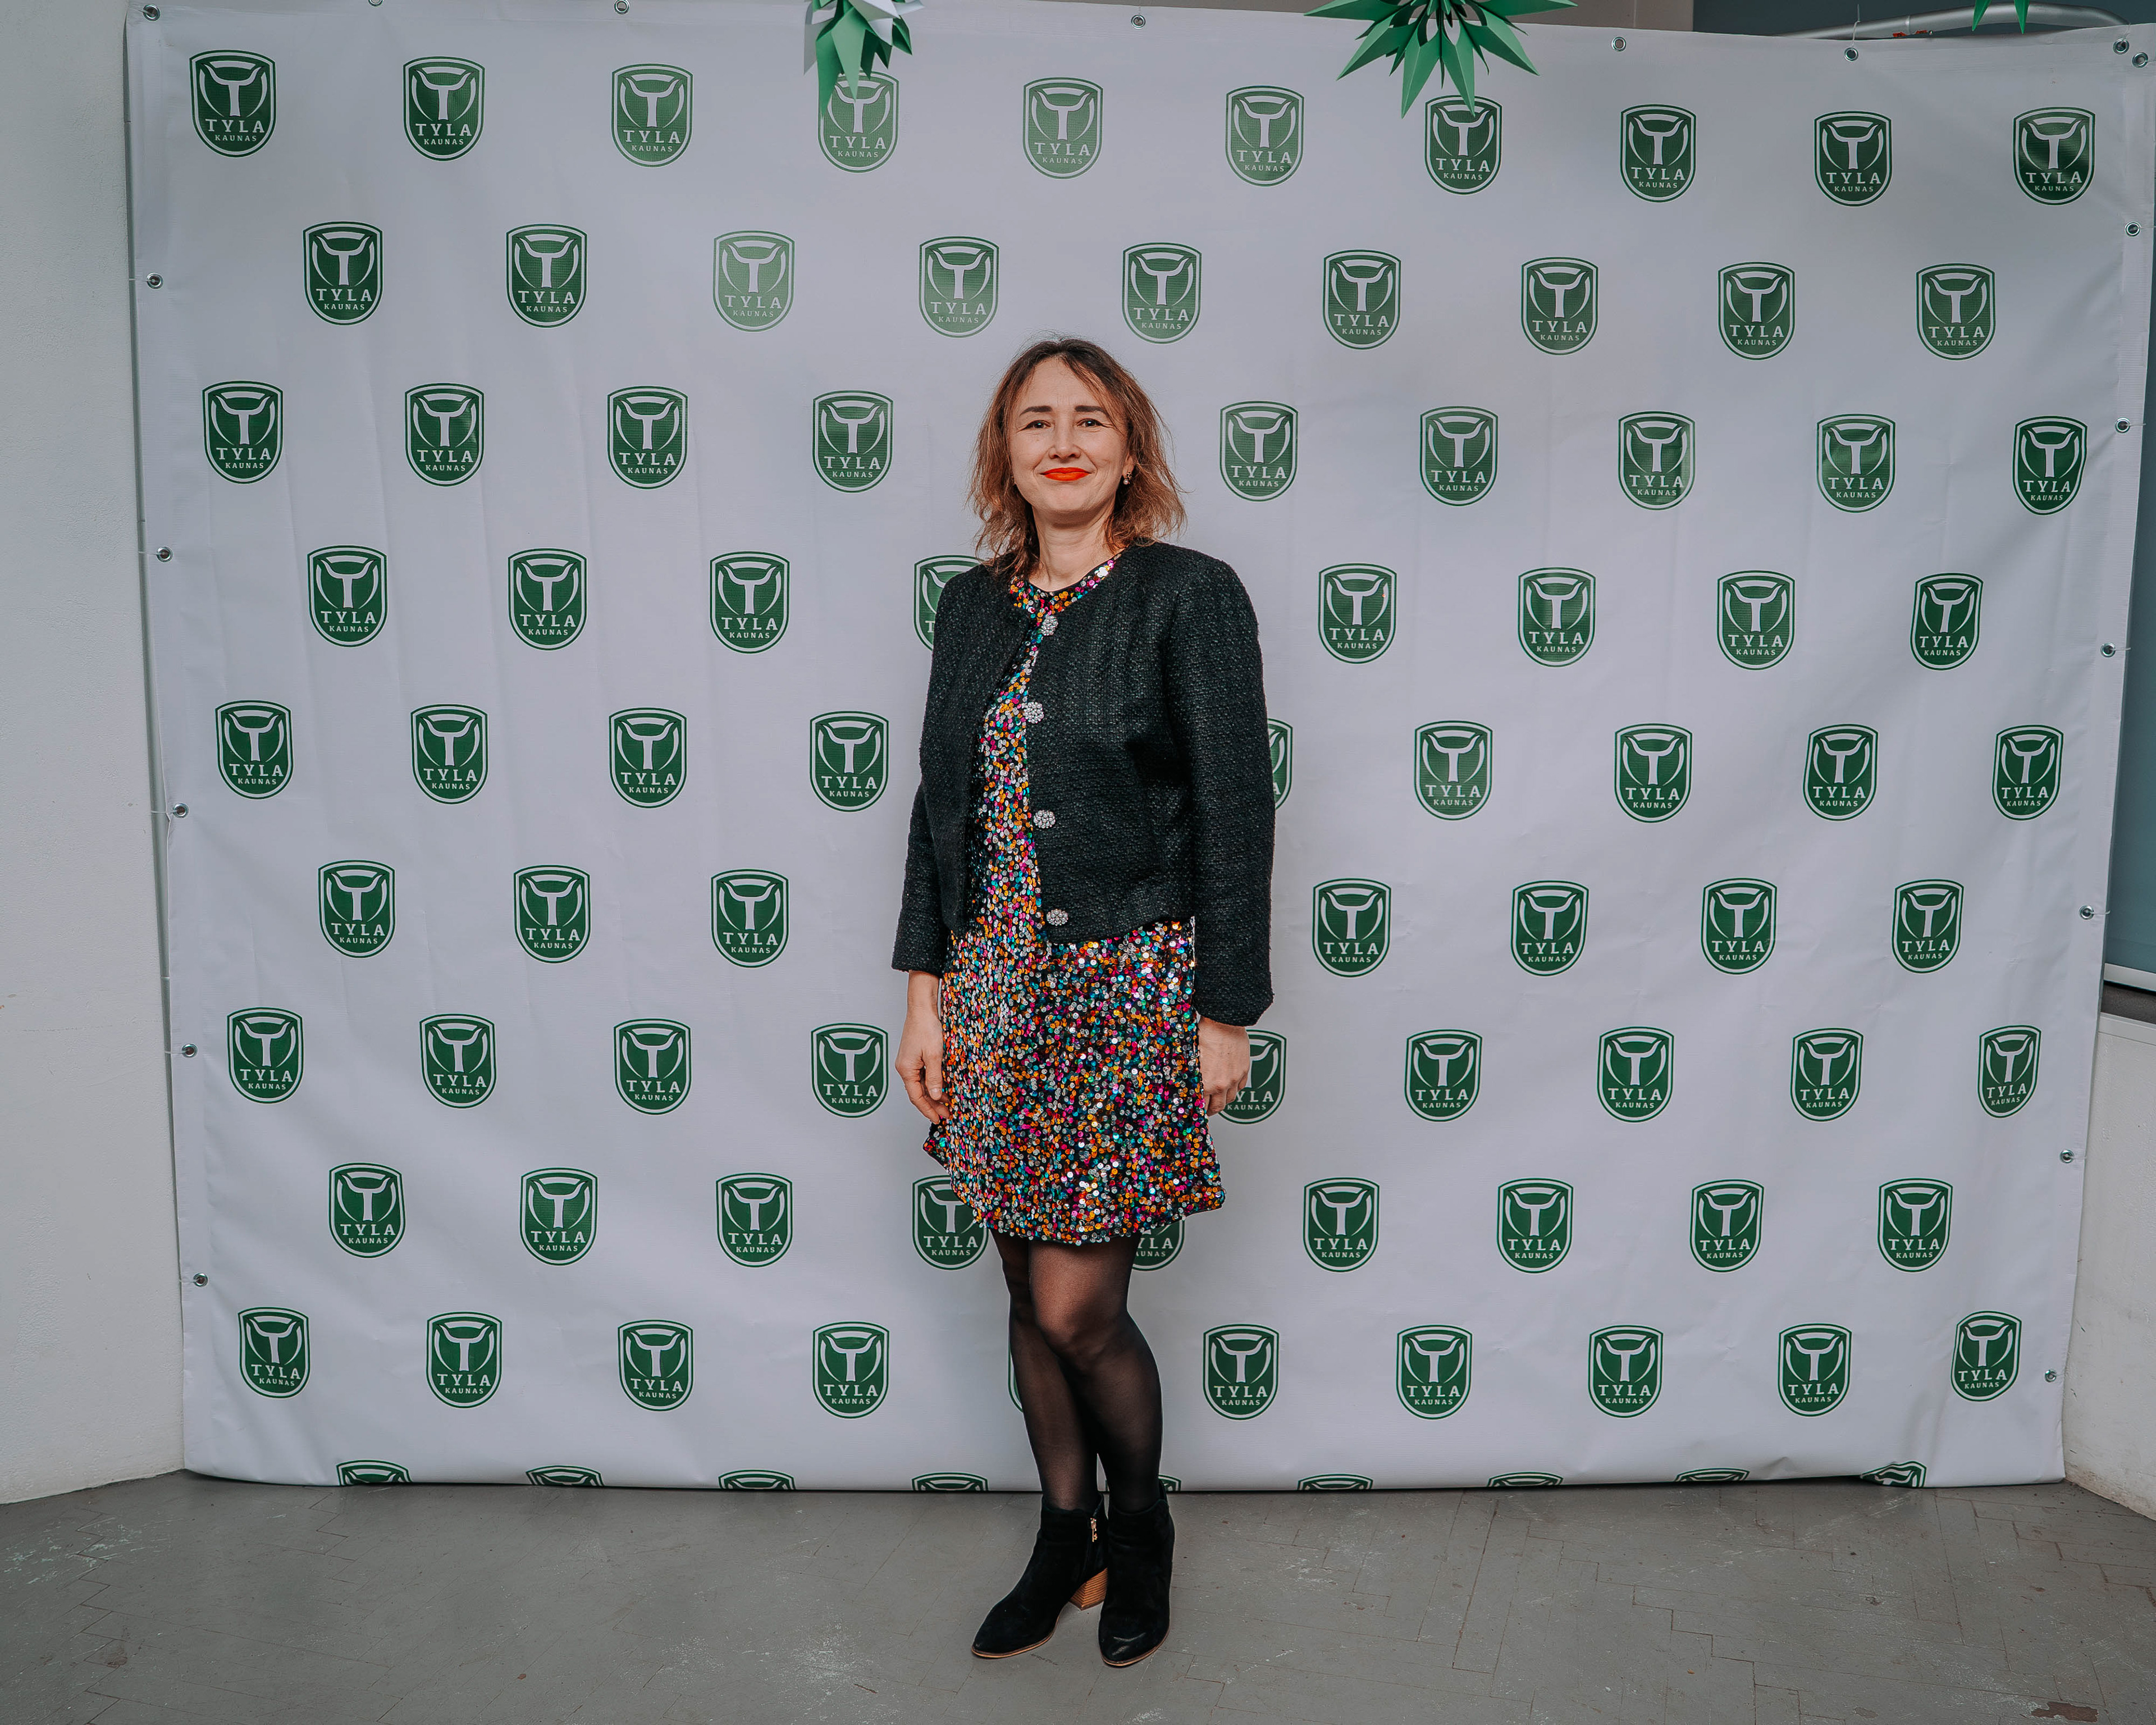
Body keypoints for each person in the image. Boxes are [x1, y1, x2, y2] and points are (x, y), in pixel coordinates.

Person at [891, 336, 1275, 1667]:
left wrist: (1224, 1012)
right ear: (1004, 453)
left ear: (1130, 447)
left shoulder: (1188, 597)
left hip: (1124, 988)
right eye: (1036, 421)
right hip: (992, 987)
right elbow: (939, 813)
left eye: (1090, 419)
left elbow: (1236, 811)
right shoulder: (971, 606)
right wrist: (925, 994)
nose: (1063, 442)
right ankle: (1068, 1533)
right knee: (1018, 1274)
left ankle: (1142, 1528)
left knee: (1077, 1308)